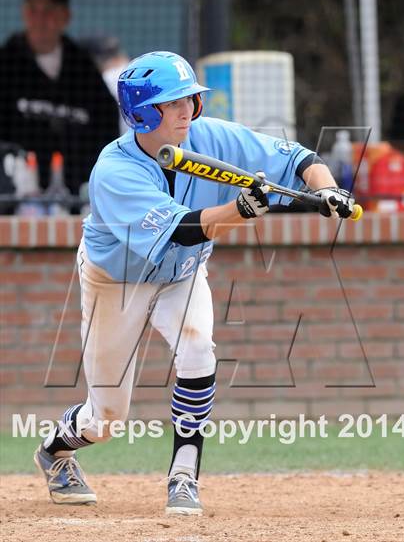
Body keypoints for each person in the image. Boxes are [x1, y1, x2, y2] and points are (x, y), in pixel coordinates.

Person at [33, 51, 355, 514]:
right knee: (106, 418)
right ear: (143, 112)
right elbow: (183, 228)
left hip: (182, 273)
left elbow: (298, 158)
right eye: (173, 102)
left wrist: (325, 189)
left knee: (198, 344)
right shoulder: (114, 170)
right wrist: (240, 211)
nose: (188, 109)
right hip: (116, 281)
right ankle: (55, 450)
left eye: (190, 99)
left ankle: (184, 473)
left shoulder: (211, 137)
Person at [0, 0, 119, 202]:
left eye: (50, 11)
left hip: (75, 198)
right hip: (13, 199)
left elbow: (105, 126)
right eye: (34, 10)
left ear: (65, 16)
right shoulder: (7, 64)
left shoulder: (81, 68)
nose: (40, 19)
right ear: (24, 13)